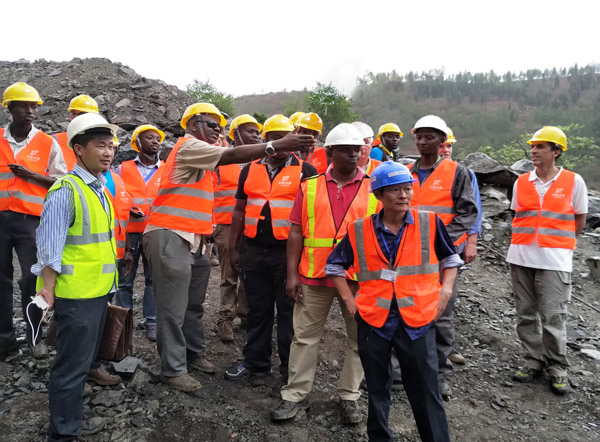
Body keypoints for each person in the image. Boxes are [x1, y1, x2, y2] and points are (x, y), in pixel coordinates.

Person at [142, 102, 316, 393]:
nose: (218, 130)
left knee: (193, 304)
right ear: (193, 124)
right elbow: (232, 155)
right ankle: (172, 369)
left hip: (196, 239)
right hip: (170, 233)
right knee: (172, 308)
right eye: (212, 124)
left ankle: (193, 353)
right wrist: (276, 145)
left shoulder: (302, 170)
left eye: (220, 126)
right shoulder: (188, 146)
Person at [327, 161, 459, 442]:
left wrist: (445, 291)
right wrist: (349, 301)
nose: (403, 195)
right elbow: (334, 266)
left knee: (426, 389)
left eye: (407, 189)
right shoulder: (359, 230)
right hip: (374, 320)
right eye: (395, 190)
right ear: (379, 195)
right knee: (377, 389)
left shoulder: (429, 222)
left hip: (417, 320)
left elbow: (451, 259)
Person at [270, 123, 380, 425]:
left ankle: (349, 396)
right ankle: (295, 395)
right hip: (314, 275)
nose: (353, 155)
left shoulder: (373, 187)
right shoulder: (310, 186)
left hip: (357, 279)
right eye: (346, 150)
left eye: (357, 150)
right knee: (304, 338)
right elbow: (296, 232)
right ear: (330, 152)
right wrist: (291, 275)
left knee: (359, 339)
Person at [33, 113, 120, 441]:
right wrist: (48, 289)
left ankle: (69, 423)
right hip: (76, 297)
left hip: (97, 292)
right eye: (100, 146)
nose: (108, 153)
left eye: (111, 146)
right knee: (70, 368)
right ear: (78, 149)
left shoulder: (98, 188)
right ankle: (63, 434)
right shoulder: (66, 190)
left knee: (81, 364)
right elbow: (49, 247)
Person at [224, 115, 318, 382]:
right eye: (276, 138)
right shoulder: (249, 169)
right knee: (258, 310)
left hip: (288, 254)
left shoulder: (307, 171)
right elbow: (239, 210)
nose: (282, 143)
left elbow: (313, 216)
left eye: (286, 137)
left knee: (290, 313)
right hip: (253, 250)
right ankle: (256, 364)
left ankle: (290, 370)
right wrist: (233, 247)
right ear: (266, 140)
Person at [507, 126, 587, 395]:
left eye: (540, 146)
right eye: (533, 146)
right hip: (521, 257)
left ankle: (557, 367)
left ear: (556, 151)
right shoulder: (521, 182)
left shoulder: (573, 181)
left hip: (554, 260)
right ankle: (532, 360)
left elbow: (579, 219)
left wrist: (561, 245)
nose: (534, 151)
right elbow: (517, 215)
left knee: (553, 316)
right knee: (525, 313)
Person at [408, 114, 477, 399]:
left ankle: (439, 374)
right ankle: (402, 371)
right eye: (420, 137)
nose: (423, 142)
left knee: (440, 312)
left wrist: (441, 241)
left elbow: (467, 212)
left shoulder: (457, 172)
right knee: (405, 307)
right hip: (408, 255)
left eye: (430, 137)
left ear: (442, 141)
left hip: (441, 256)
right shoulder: (407, 172)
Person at [0, 82, 67, 360]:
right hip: (1, 220)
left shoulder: (47, 143)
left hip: (31, 221)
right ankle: (5, 341)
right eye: (24, 106)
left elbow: (62, 181)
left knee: (32, 278)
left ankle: (34, 336)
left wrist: (32, 176)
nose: (30, 111)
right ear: (10, 108)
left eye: (34, 107)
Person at [114, 124, 165, 342]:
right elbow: (116, 197)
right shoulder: (122, 168)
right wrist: (128, 211)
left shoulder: (167, 169)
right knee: (125, 280)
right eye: (150, 138)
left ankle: (152, 321)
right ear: (137, 143)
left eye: (157, 138)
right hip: (129, 234)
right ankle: (123, 324)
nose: (155, 141)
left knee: (153, 280)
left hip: (156, 232)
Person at [213, 114, 260, 342]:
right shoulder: (222, 160)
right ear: (236, 133)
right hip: (225, 225)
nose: (255, 135)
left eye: (257, 132)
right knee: (229, 274)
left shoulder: (261, 163)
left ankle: (245, 315)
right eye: (250, 131)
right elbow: (209, 191)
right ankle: (225, 318)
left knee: (249, 273)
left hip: (252, 228)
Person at [438, 126, 483, 364]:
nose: (445, 150)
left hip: (451, 248)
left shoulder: (463, 173)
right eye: (442, 145)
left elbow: (473, 211)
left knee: (446, 298)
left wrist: (471, 242)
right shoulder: (416, 172)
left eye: (449, 146)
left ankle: (446, 350)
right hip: (419, 249)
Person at [53, 94, 100, 171]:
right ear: (71, 117)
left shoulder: (102, 142)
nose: (86, 119)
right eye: (82, 115)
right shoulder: (56, 140)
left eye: (90, 116)